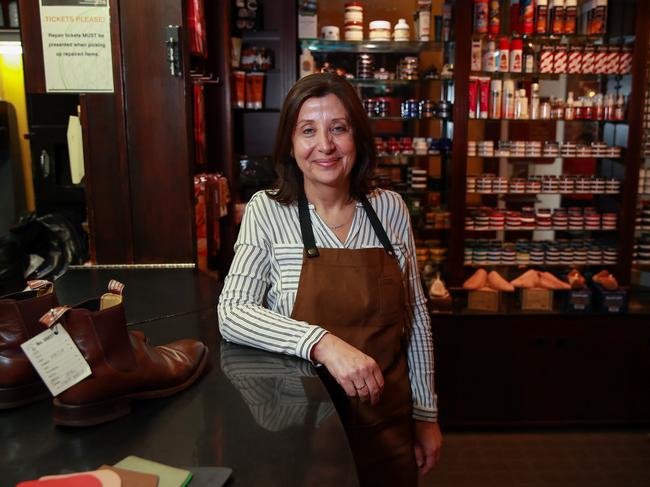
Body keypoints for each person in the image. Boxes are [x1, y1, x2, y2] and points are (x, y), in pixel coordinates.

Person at [218, 73, 441, 486]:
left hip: (384, 424)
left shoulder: (389, 208)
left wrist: (426, 415)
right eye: (308, 131)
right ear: (290, 142)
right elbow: (232, 313)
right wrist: (322, 343)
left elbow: (417, 321)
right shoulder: (267, 211)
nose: (325, 145)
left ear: (357, 137)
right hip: (298, 429)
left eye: (338, 128)